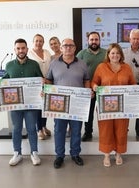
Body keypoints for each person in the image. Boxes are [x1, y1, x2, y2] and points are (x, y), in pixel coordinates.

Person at [45, 38, 90, 169]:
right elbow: (48, 80)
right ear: (61, 48)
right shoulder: (54, 64)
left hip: (77, 103)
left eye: (71, 45)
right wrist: (46, 92)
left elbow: (87, 80)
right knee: (59, 130)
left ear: (75, 48)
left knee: (76, 130)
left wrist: (87, 92)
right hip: (59, 105)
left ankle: (75, 154)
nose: (68, 48)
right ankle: (59, 156)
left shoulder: (82, 64)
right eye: (65, 45)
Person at [91, 43, 136, 167]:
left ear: (121, 54)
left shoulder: (126, 67)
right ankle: (106, 155)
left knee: (121, 130)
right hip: (105, 106)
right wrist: (94, 86)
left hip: (123, 107)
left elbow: (132, 83)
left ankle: (118, 154)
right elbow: (95, 81)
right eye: (112, 53)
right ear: (108, 55)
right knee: (105, 130)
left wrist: (138, 88)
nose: (115, 55)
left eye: (117, 53)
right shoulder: (101, 67)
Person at [3, 38, 43, 166]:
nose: (21, 50)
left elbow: (40, 79)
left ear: (27, 49)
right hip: (15, 105)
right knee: (16, 129)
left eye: (23, 48)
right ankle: (17, 153)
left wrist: (42, 86)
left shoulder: (34, 64)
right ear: (15, 50)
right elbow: (4, 81)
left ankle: (34, 152)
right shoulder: (9, 65)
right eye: (18, 48)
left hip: (31, 104)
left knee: (32, 128)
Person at [77, 31, 106, 142]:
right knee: (88, 112)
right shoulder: (81, 54)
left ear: (99, 41)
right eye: (92, 40)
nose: (94, 42)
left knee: (104, 112)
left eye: (96, 39)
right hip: (88, 88)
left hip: (104, 88)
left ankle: (105, 133)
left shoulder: (106, 53)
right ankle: (88, 132)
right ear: (88, 41)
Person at [28, 34, 52, 140]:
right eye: (36, 41)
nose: (38, 43)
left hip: (47, 83)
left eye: (41, 41)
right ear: (33, 42)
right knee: (38, 108)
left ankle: (44, 126)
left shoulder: (47, 52)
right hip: (36, 85)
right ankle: (39, 130)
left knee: (45, 107)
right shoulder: (29, 53)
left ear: (43, 42)